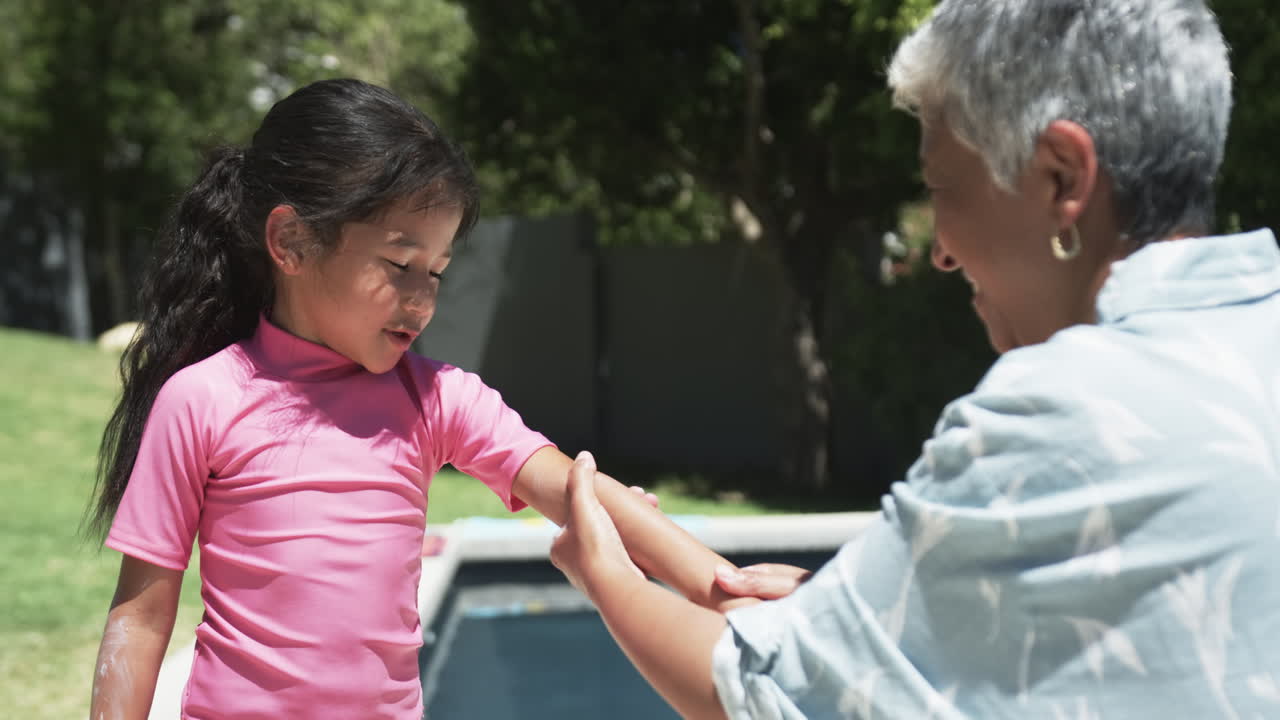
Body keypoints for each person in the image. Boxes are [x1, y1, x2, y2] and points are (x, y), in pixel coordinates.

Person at [550, 1, 1280, 718]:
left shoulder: (1066, 408)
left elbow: (754, 695)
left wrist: (608, 575)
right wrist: (870, 622)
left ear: (1062, 177)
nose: (938, 251)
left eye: (940, 188)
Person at [86, 78, 747, 720]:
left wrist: (725, 589)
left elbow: (580, 492)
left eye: (436, 272)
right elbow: (140, 617)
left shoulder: (436, 399)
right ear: (291, 242)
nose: (422, 298)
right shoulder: (203, 400)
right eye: (400, 265)